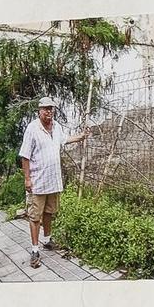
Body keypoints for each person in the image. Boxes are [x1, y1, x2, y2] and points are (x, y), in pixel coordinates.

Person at [19, 95, 89, 268]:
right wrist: (27, 179)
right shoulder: (32, 129)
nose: (49, 111)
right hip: (38, 181)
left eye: (51, 108)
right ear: (39, 111)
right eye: (46, 109)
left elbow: (64, 140)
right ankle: (35, 250)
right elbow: (25, 156)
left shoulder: (56, 127)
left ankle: (48, 240)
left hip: (53, 180)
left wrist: (80, 137)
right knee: (35, 216)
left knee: (49, 212)